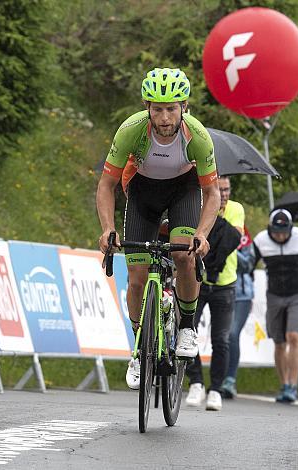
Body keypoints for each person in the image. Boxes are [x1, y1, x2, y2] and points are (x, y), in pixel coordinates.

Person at [96, 67, 220, 390]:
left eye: (171, 109)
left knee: (184, 257)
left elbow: (212, 194)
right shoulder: (131, 131)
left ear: (184, 107)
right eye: (157, 109)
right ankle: (139, 349)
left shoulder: (198, 136)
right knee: (136, 279)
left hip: (184, 192)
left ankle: (187, 327)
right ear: (147, 107)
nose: (164, 118)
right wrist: (108, 229)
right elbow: (106, 185)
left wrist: (202, 234)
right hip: (142, 194)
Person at [185, 176, 244, 411]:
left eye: (227, 189)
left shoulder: (236, 209)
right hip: (198, 281)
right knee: (187, 331)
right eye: (220, 190)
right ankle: (196, 382)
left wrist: (213, 220)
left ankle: (216, 389)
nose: (225, 194)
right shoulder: (200, 208)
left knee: (222, 339)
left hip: (225, 283)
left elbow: (232, 239)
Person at [252, 209, 298, 403]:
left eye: (284, 231)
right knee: (279, 342)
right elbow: (248, 265)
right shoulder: (261, 240)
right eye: (277, 231)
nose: (281, 236)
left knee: (294, 337)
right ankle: (284, 384)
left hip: (297, 294)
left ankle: (292, 385)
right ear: (270, 228)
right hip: (274, 295)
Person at [220, 226, 255, 398]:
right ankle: (219, 380)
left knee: (233, 335)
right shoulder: (217, 229)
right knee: (221, 337)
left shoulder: (245, 238)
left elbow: (249, 264)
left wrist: (232, 249)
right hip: (222, 290)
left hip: (242, 296)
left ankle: (230, 380)